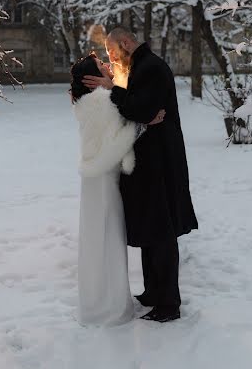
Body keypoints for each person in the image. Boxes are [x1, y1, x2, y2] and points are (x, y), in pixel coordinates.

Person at [82, 28, 198, 323]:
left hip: (160, 164)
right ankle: (152, 292)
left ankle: (168, 303)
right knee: (152, 228)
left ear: (125, 43)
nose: (110, 58)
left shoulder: (152, 68)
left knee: (162, 233)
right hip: (149, 164)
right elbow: (137, 111)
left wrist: (114, 91)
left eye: (111, 51)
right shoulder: (140, 67)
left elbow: (142, 110)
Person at [71, 53, 164, 326]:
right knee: (106, 238)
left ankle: (98, 301)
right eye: (102, 65)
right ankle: (107, 307)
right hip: (103, 181)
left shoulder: (88, 102)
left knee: (97, 238)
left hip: (96, 179)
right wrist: (145, 123)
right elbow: (113, 146)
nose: (108, 66)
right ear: (91, 78)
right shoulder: (101, 102)